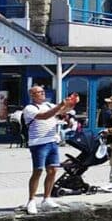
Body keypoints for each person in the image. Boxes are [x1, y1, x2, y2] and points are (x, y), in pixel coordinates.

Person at [22, 85, 75, 214]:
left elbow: (63, 111)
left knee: (53, 170)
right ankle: (31, 200)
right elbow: (45, 116)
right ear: (32, 95)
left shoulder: (49, 105)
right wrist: (60, 106)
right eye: (39, 92)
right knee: (38, 171)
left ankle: (47, 198)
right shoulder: (29, 108)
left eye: (43, 92)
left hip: (52, 141)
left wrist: (71, 103)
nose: (42, 94)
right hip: (38, 143)